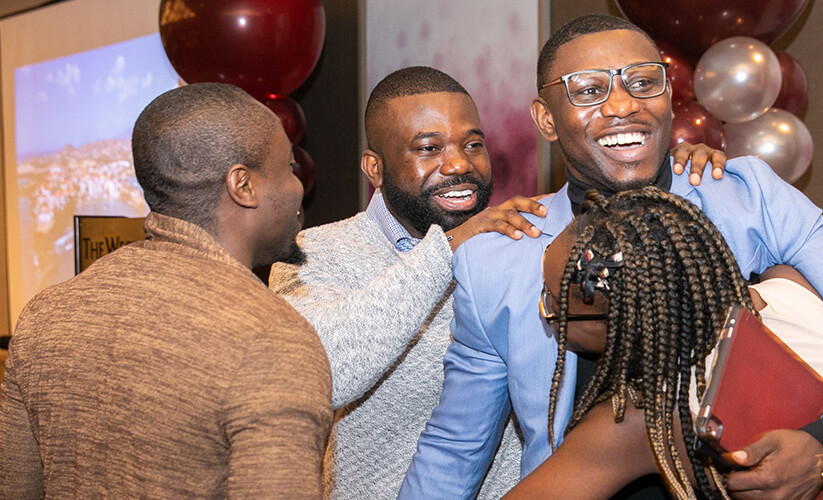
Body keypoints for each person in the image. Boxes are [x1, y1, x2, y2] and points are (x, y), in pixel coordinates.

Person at [400, 14, 823, 500]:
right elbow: (456, 445)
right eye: (588, 90)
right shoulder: (498, 256)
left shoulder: (744, 194)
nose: (621, 105)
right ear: (545, 119)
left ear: (667, 97)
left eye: (642, 82)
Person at [268, 66, 721, 499]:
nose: (458, 165)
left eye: (472, 145)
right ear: (375, 167)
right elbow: (319, 373)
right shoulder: (314, 252)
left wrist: (681, 176)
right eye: (428, 148)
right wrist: (446, 251)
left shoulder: (520, 241)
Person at [0, 83, 332, 499]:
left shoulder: (47, 314)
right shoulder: (273, 338)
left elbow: (5, 490)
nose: (298, 186)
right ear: (244, 185)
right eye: (290, 167)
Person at [504, 188, 823, 499]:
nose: (546, 314)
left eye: (554, 303)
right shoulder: (793, 287)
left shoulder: (643, 418)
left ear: (621, 324)